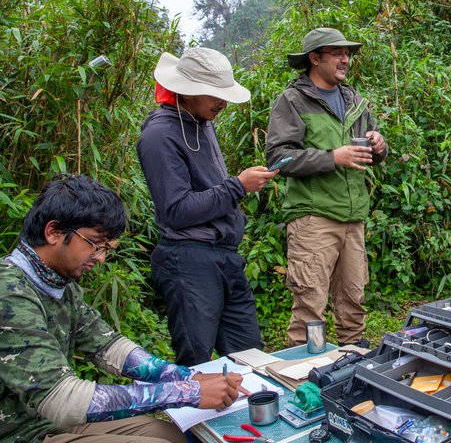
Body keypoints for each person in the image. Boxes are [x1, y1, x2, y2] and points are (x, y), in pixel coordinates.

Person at [0, 174, 245, 443]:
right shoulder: (9, 292)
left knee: (176, 436)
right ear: (54, 232)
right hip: (20, 433)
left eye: (106, 247)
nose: (101, 257)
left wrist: (190, 376)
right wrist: (187, 392)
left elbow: (110, 348)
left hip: (48, 423)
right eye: (94, 244)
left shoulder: (59, 283)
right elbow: (63, 400)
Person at [136, 47, 277, 366]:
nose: (222, 102)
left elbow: (208, 189)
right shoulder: (159, 136)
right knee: (197, 358)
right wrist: (238, 186)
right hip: (188, 261)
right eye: (214, 94)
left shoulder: (201, 122)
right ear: (187, 90)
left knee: (250, 355)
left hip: (225, 257)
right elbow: (176, 210)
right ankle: (193, 416)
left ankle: (249, 413)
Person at [266, 27, 387, 346]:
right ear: (314, 58)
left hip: (353, 217)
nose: (345, 59)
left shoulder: (354, 100)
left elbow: (370, 155)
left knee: (353, 301)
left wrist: (379, 146)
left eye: (347, 53)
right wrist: (333, 157)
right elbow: (279, 159)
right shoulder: (292, 101)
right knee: (310, 307)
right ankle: (307, 376)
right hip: (313, 219)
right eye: (337, 53)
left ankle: (352, 369)